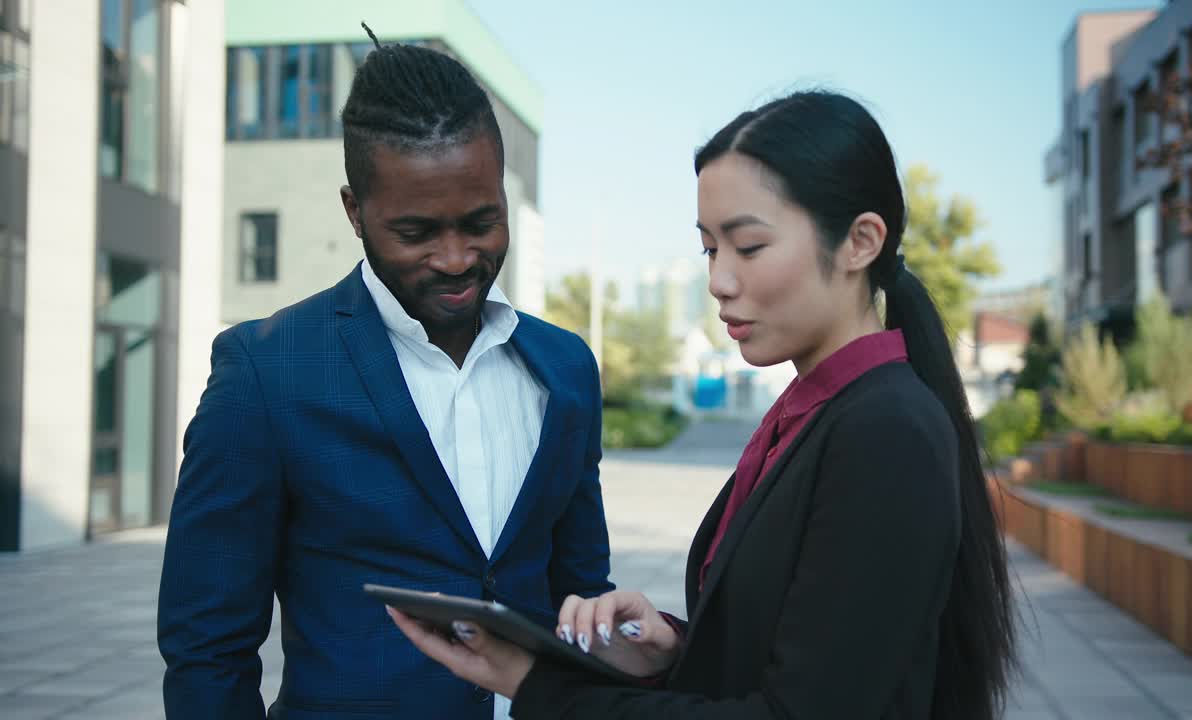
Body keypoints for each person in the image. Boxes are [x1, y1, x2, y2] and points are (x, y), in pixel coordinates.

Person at [387, 90, 1017, 719]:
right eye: (711, 250)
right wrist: (673, 650)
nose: (718, 281)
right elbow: (798, 658)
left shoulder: (886, 432)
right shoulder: (811, 414)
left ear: (859, 242)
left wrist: (541, 686)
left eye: (748, 247)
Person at [158, 29, 613, 720]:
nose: (458, 258)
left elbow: (586, 600)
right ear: (355, 211)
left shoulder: (567, 369)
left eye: (482, 222)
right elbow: (206, 646)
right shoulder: (266, 371)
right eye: (418, 232)